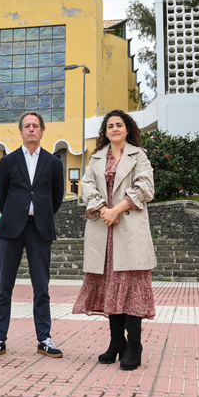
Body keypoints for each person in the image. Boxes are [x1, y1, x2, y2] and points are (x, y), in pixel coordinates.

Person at [72, 109, 156, 371]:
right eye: (110, 126)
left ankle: (135, 346)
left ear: (127, 128)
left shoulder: (138, 155)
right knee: (111, 287)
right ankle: (116, 342)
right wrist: (102, 208)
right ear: (105, 131)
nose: (115, 129)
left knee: (130, 289)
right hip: (103, 228)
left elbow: (145, 186)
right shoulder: (96, 157)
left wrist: (116, 210)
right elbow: (87, 186)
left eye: (119, 125)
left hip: (128, 226)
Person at [0, 111, 65, 359]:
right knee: (3, 286)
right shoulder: (8, 161)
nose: (31, 129)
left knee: (41, 286)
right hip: (11, 230)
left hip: (40, 230)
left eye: (35, 126)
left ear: (42, 131)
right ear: (21, 131)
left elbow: (56, 197)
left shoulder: (53, 163)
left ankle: (44, 339)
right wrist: (15, 214)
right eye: (27, 126)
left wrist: (40, 215)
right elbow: (1, 196)